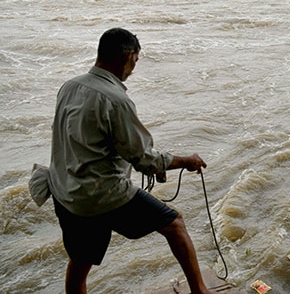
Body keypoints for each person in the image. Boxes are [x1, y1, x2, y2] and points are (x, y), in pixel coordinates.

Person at [40, 27, 216, 294]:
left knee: (81, 259)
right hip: (100, 194)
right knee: (175, 224)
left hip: (65, 191)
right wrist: (186, 161)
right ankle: (200, 291)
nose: (134, 68)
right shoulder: (116, 100)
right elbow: (143, 157)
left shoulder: (70, 86)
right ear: (128, 56)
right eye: (135, 60)